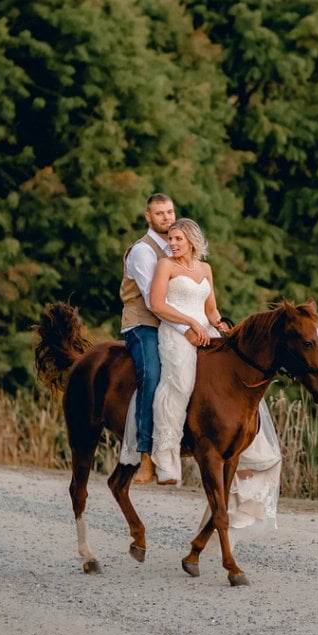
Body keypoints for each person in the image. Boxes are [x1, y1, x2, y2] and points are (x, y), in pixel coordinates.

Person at [149, 218, 282, 535]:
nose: (173, 243)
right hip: (175, 332)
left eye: (178, 238)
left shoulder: (205, 270)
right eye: (170, 238)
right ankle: (166, 454)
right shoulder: (165, 266)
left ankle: (244, 445)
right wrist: (189, 324)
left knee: (232, 380)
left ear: (193, 240)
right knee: (180, 382)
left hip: (206, 332)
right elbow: (156, 305)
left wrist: (222, 326)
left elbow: (211, 311)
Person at [120, 193, 176, 484]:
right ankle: (144, 455)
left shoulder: (179, 246)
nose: (166, 218)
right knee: (152, 375)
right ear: (148, 217)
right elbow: (152, 301)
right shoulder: (143, 251)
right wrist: (186, 325)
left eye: (169, 212)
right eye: (160, 213)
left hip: (173, 324)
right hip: (143, 324)